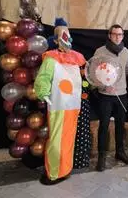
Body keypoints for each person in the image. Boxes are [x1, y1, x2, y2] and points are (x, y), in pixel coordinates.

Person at [34, 18, 85, 185]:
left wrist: (88, 84)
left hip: (73, 106)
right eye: (63, 36)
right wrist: (43, 93)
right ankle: (54, 173)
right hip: (57, 106)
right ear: (56, 40)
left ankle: (65, 169)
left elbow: (84, 79)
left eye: (68, 36)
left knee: (68, 139)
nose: (66, 39)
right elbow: (43, 79)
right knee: (56, 140)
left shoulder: (76, 58)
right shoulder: (51, 59)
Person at [94, 24, 128, 172]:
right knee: (104, 126)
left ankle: (120, 152)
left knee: (120, 125)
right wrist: (104, 86)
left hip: (122, 94)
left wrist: (120, 84)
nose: (117, 37)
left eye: (120, 34)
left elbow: (126, 69)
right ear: (109, 35)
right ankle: (102, 156)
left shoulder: (126, 51)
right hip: (105, 96)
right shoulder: (100, 51)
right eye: (115, 34)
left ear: (123, 36)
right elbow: (93, 73)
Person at [73, 67, 91, 169]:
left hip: (83, 109)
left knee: (82, 133)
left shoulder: (85, 80)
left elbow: (87, 90)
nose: (82, 70)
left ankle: (81, 161)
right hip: (70, 108)